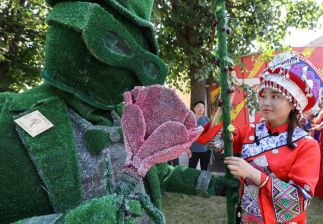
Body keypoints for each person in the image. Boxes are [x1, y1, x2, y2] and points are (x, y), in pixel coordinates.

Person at [0, 1, 237, 223]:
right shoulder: (10, 117)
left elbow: (160, 173)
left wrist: (211, 184)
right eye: (116, 45)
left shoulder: (128, 116)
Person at [197, 52, 323, 223]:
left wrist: (254, 174)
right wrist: (223, 108)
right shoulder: (251, 130)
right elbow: (219, 140)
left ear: (293, 103)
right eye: (263, 95)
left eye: (275, 96)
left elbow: (300, 197)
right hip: (247, 216)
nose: (266, 102)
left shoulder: (307, 144)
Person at [188, 100, 211, 170]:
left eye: (202, 107)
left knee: (204, 170)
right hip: (193, 150)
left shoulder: (207, 119)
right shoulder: (189, 120)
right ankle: (191, 181)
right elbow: (185, 135)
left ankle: (202, 181)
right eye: (198, 107)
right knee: (191, 170)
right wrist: (187, 148)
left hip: (206, 150)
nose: (201, 109)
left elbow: (211, 132)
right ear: (194, 108)